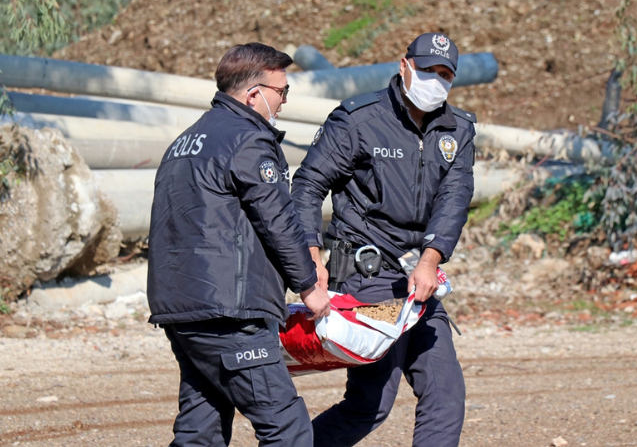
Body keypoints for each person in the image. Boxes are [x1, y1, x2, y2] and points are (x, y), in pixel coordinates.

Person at [292, 32, 476, 447]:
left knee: (446, 393)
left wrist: (431, 258)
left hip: (416, 277)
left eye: (445, 74)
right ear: (405, 65)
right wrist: (310, 256)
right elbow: (307, 185)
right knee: (370, 404)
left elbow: (454, 197)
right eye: (428, 69)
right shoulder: (360, 119)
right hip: (364, 276)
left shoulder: (458, 130)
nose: (436, 80)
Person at [147, 42, 331, 447]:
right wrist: (309, 286)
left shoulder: (184, 143)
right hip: (231, 316)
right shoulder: (249, 140)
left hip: (182, 312)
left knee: (201, 429)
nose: (283, 102)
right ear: (254, 94)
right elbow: (277, 219)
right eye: (282, 92)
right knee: (287, 429)